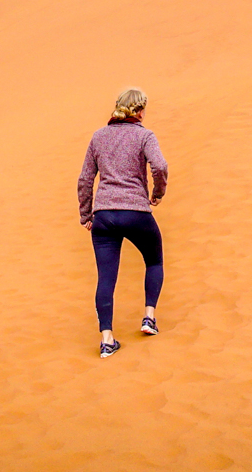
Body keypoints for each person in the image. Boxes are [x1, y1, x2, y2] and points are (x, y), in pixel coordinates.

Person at [78, 88, 168, 358]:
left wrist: (86, 214)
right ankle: (149, 318)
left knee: (106, 277)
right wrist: (157, 194)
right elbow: (160, 166)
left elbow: (84, 179)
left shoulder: (98, 136)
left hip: (104, 215)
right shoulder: (144, 135)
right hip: (136, 212)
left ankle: (106, 339)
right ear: (140, 111)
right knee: (154, 261)